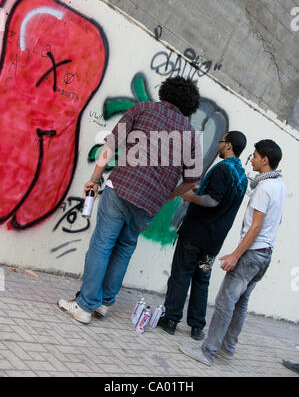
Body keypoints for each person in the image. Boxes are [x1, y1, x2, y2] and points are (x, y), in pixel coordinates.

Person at [58, 76, 202, 324]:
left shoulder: (143, 109)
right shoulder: (190, 135)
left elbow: (111, 144)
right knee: (124, 248)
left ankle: (84, 305)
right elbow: (192, 181)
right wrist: (170, 195)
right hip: (150, 203)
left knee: (102, 244)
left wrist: (95, 178)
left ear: (166, 92)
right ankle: (103, 303)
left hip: (122, 188)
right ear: (190, 105)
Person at [180, 139, 286, 366]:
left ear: (265, 160)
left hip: (252, 254)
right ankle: (227, 349)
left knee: (225, 301)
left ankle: (207, 352)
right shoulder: (279, 185)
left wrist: (236, 254)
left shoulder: (264, 188)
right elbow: (276, 221)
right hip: (265, 254)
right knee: (241, 302)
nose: (252, 159)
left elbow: (256, 226)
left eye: (256, 156)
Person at [158, 131, 248, 340]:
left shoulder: (222, 169)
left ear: (228, 146)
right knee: (202, 280)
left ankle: (171, 320)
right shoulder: (242, 176)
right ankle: (197, 327)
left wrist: (190, 196)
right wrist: (201, 190)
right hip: (213, 243)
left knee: (181, 274)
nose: (218, 144)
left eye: (221, 141)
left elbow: (213, 201)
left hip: (194, 236)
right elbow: (222, 198)